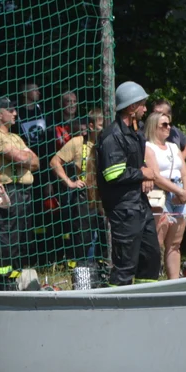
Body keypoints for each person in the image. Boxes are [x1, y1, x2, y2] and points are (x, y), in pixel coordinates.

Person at [96, 81, 162, 286]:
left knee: (151, 258)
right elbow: (112, 173)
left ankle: (146, 302)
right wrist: (142, 173)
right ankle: (114, 307)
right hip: (123, 208)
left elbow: (132, 163)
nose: (145, 109)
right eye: (142, 104)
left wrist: (142, 174)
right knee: (125, 265)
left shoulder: (135, 132)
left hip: (140, 204)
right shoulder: (112, 136)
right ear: (132, 107)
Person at [0, 102, 39, 289]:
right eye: (11, 110)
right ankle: (4, 280)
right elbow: (21, 158)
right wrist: (24, 158)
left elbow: (35, 162)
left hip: (25, 191)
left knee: (23, 236)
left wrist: (24, 158)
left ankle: (18, 278)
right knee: (9, 235)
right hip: (9, 190)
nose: (15, 113)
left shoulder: (15, 137)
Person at [50, 108, 106, 266]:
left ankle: (102, 273)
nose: (105, 128)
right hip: (84, 197)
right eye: (101, 125)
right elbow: (54, 162)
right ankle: (83, 273)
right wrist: (69, 182)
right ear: (91, 125)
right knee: (83, 239)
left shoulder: (108, 142)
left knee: (104, 239)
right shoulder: (77, 142)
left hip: (105, 196)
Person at [144, 111, 186, 280]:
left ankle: (174, 282)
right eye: (164, 124)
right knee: (157, 243)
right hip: (160, 193)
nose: (169, 127)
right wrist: (178, 191)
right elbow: (155, 175)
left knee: (175, 244)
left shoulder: (173, 146)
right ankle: (153, 279)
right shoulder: (148, 147)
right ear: (153, 126)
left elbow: (185, 172)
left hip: (179, 190)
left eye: (169, 124)